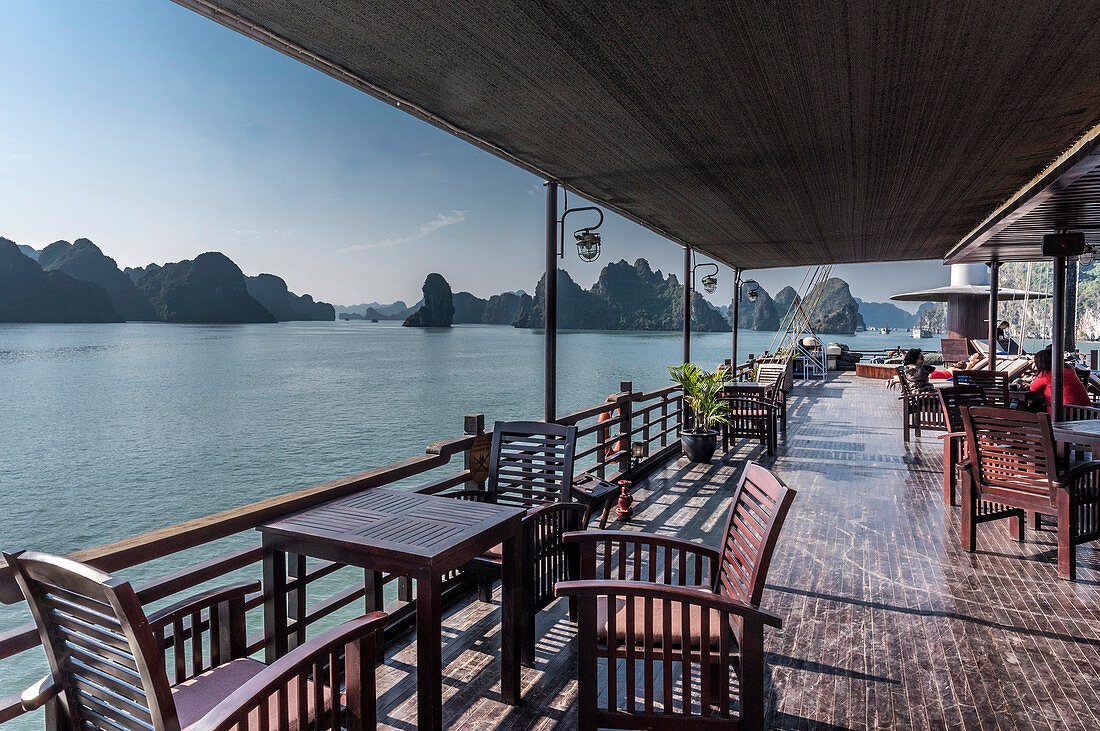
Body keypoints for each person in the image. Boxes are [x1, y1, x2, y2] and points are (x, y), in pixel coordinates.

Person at [1029, 347, 1091, 413]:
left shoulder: (1045, 375)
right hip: (1087, 412)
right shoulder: (1069, 370)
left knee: (1032, 409)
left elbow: (1033, 388)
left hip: (1065, 414)